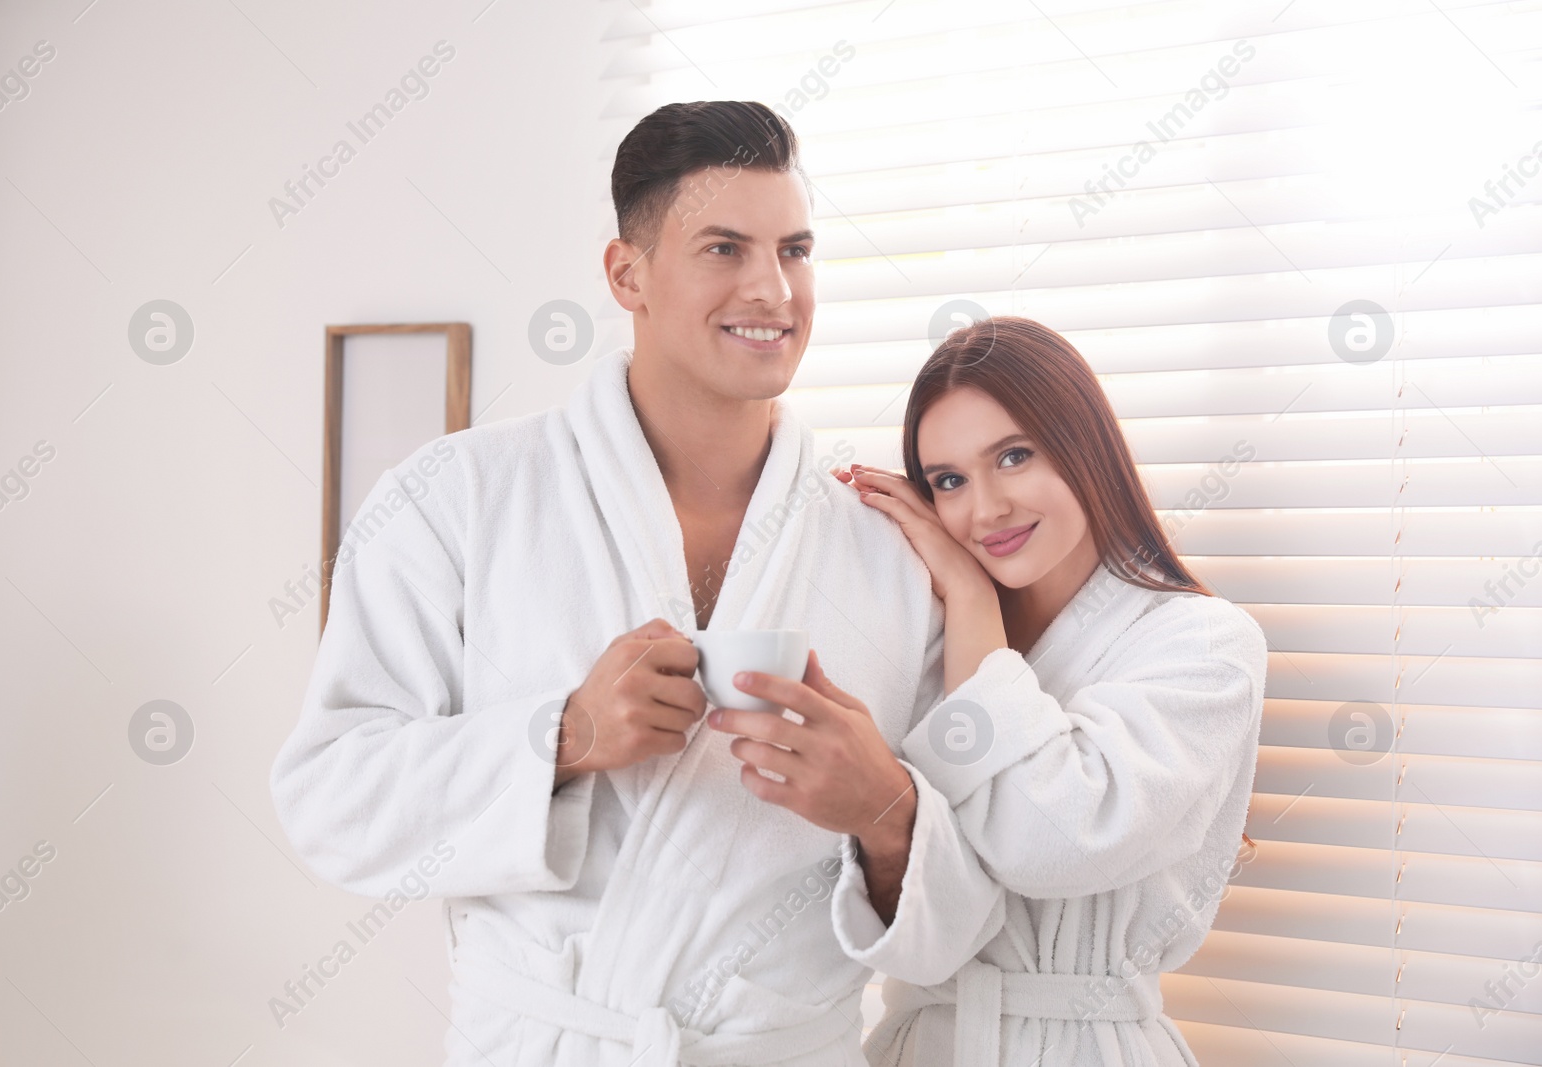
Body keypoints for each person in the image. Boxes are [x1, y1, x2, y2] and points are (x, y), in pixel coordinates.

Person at [268, 100, 1003, 1067]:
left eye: (796, 249)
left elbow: (971, 917)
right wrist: (563, 737)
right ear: (628, 274)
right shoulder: (457, 497)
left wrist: (885, 812)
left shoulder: (889, 549)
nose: (772, 289)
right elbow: (330, 801)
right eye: (725, 248)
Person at [821, 316, 1268, 1065]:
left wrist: (968, 598)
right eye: (949, 481)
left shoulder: (1206, 645)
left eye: (1015, 456)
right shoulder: (916, 645)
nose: (986, 507)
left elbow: (1051, 842)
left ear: (1084, 446)